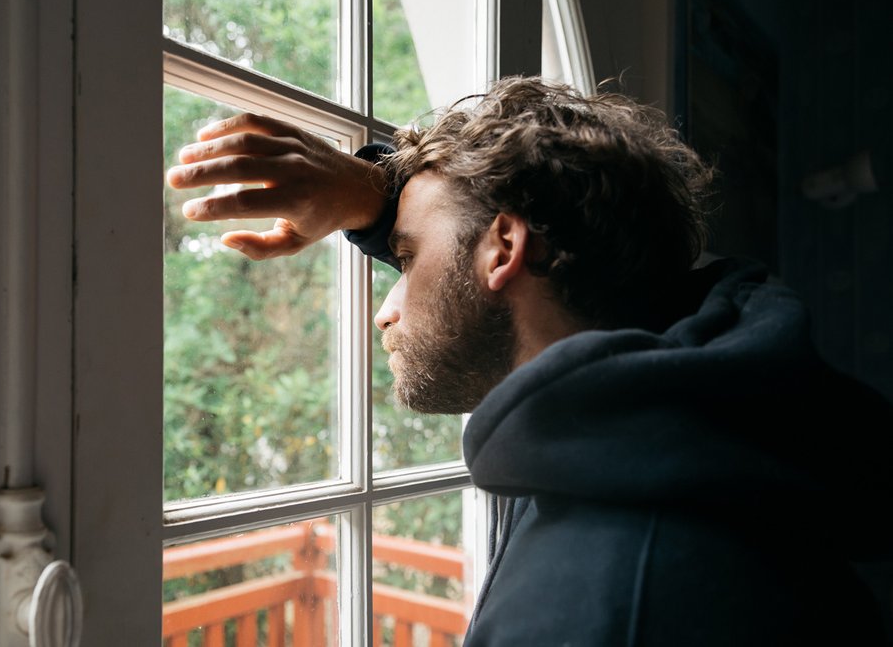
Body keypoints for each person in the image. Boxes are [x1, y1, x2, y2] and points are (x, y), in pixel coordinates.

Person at [167, 77, 893, 645]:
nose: (386, 309)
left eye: (407, 255)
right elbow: (473, 249)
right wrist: (386, 198)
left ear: (506, 249)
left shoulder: (597, 600)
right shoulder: (684, 419)